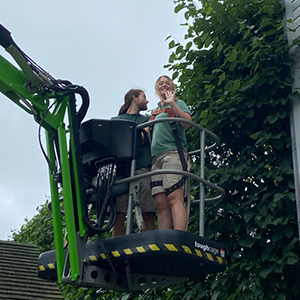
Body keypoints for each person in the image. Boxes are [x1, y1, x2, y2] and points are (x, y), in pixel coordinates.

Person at [111, 89, 157, 236]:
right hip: (121, 172)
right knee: (118, 213)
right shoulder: (115, 121)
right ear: (135, 98)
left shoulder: (147, 120)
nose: (147, 101)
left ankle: (151, 244)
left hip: (143, 168)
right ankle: (117, 245)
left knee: (147, 210)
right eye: (144, 96)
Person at [150, 75, 192, 231]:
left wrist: (172, 103)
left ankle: (179, 236)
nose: (164, 85)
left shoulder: (178, 103)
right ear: (157, 88)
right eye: (161, 83)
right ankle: (164, 240)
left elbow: (187, 123)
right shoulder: (154, 112)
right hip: (156, 158)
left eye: (167, 83)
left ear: (172, 87)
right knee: (161, 202)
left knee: (174, 197)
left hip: (173, 154)